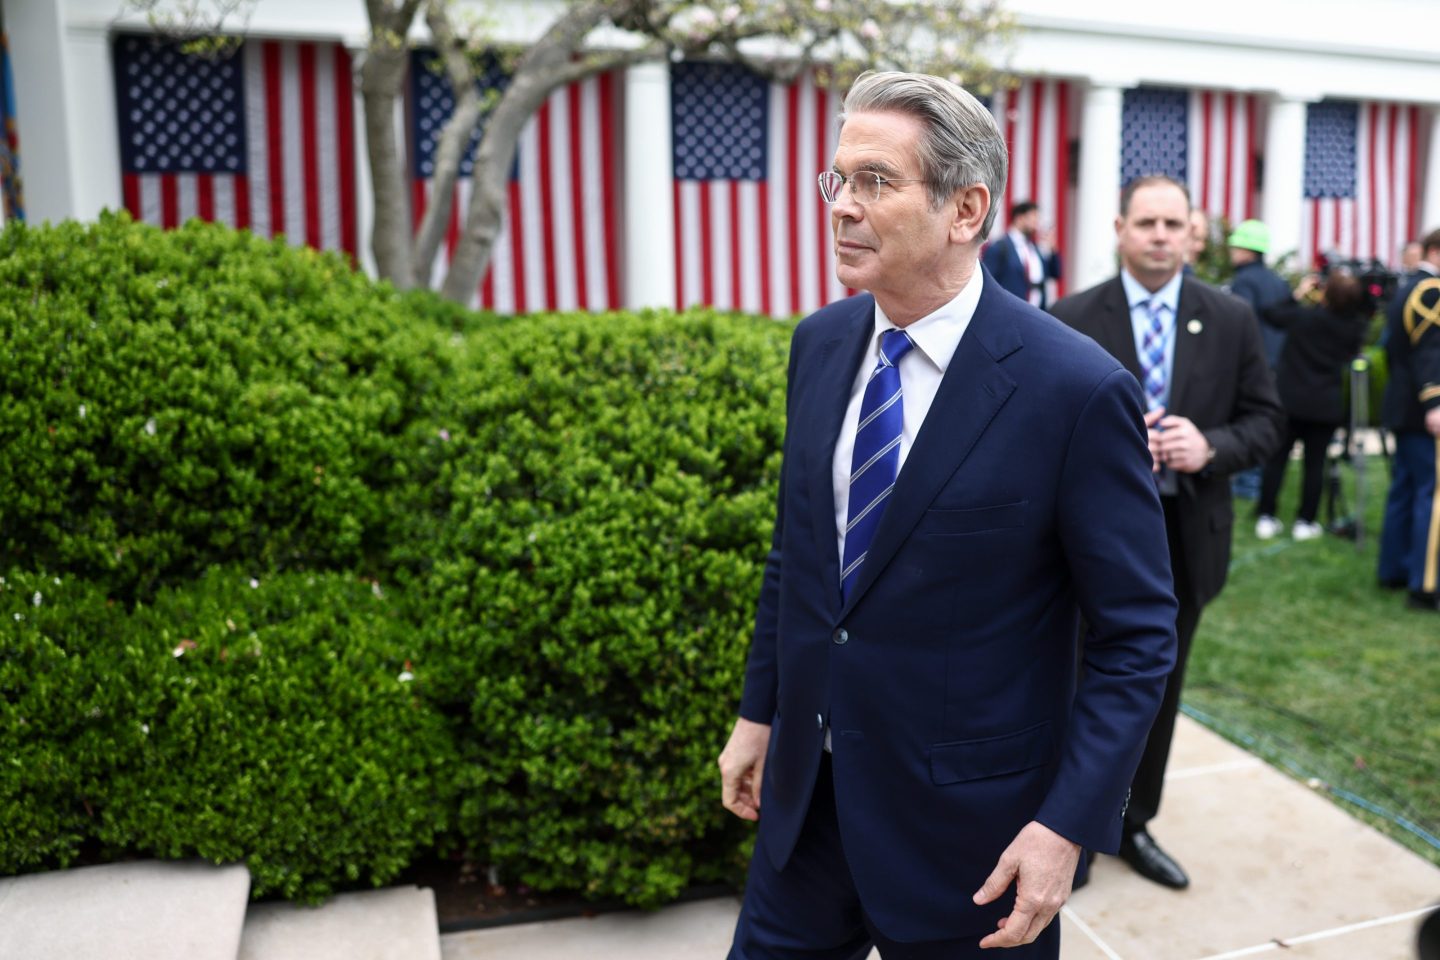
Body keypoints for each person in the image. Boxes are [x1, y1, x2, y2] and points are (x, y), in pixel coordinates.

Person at [717, 72, 1178, 959]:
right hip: (806, 816)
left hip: (979, 850)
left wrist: (1064, 826)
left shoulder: (1074, 391)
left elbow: (1137, 636)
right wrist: (759, 713)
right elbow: (800, 556)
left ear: (966, 209)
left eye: (876, 182)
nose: (843, 206)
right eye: (838, 180)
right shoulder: (820, 344)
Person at [1050, 174, 1282, 891]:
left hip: (1185, 534)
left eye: (1172, 224)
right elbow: (1040, 426)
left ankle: (1131, 822)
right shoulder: (1071, 315)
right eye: (1145, 222)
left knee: (1156, 684)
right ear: (1119, 229)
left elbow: (1267, 422)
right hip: (1085, 541)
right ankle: (1068, 830)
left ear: (1194, 235)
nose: (1159, 235)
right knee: (1074, 679)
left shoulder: (1232, 318)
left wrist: (1210, 446)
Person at [1254, 272, 1370, 541]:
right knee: (1314, 465)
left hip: (1290, 400)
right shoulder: (1353, 327)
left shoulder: (1304, 317)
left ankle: (1266, 515)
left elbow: (1271, 314)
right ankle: (1305, 521)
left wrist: (1299, 292)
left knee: (1277, 459)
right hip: (1324, 405)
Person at [1377, 227, 1440, 613]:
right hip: (1424, 411)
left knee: (1404, 489)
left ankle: (1394, 570)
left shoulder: (1409, 286)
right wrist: (1435, 401)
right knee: (1430, 496)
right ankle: (1425, 584)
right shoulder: (1431, 291)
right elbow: (1431, 353)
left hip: (1405, 406)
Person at [1225, 218, 1295, 501]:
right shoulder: (1279, 282)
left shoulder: (1243, 282)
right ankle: (1259, 481)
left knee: (1245, 420)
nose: (1232, 252)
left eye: (1236, 246)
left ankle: (1246, 486)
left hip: (1251, 364)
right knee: (1265, 420)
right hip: (1278, 364)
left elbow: (1238, 325)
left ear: (1247, 251)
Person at [982, 200, 1062, 309]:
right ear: (1019, 218)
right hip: (1010, 312)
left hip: (1037, 313)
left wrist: (1053, 249)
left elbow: (1055, 273)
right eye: (1033, 217)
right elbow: (987, 283)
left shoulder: (1034, 249)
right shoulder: (999, 248)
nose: (1037, 222)